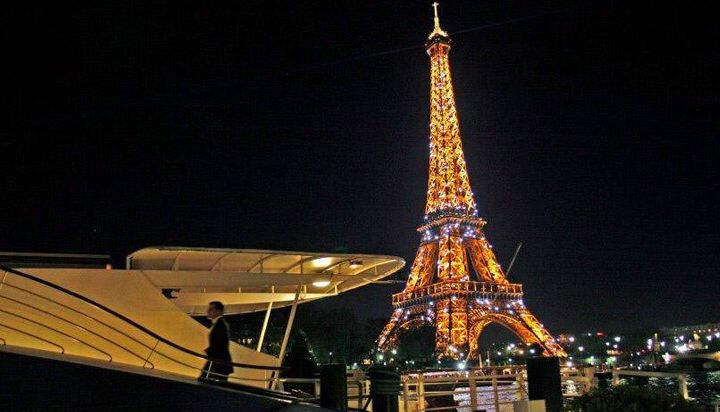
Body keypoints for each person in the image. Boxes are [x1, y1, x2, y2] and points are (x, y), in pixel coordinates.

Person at [199, 301, 234, 382]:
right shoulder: (219, 324)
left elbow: (221, 344)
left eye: (211, 309)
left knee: (207, 383)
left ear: (218, 311)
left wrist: (208, 351)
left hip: (218, 363)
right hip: (217, 362)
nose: (207, 311)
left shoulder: (220, 325)